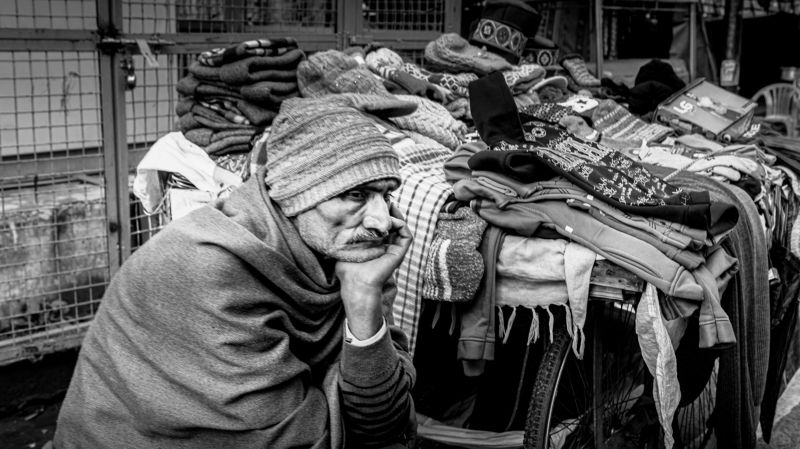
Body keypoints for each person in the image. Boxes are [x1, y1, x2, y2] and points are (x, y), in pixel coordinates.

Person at [54, 96, 418, 448]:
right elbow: (297, 439)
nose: (382, 221)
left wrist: (364, 302)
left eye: (385, 196)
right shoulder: (208, 268)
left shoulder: (353, 258)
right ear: (297, 194)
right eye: (356, 195)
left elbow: (385, 419)